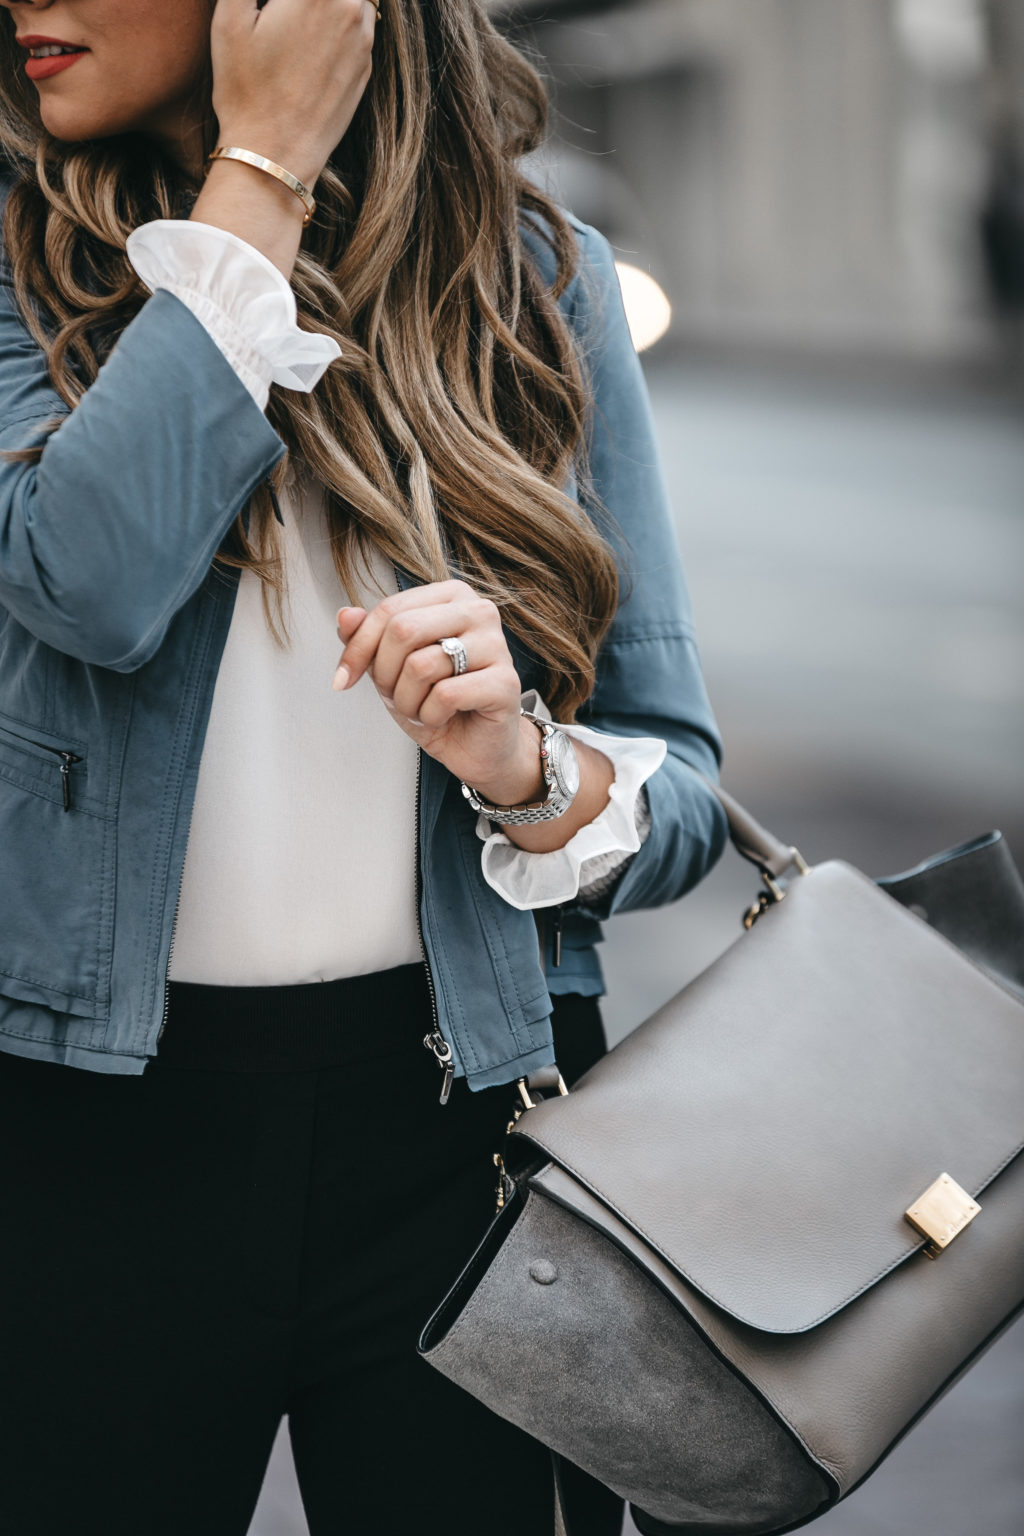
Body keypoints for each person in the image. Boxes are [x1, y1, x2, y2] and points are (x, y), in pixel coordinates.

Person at [0, 1, 727, 1531]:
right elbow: (96, 576)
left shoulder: (538, 282)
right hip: (74, 1138)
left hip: (472, 1145)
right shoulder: (13, 263)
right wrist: (259, 167)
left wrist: (528, 766)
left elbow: (680, 788)